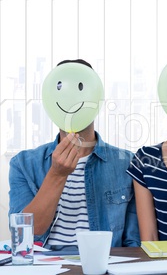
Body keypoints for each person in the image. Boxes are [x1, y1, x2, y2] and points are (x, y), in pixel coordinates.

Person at [8, 59, 140, 248]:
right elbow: (23, 236)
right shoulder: (23, 164)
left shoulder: (127, 163)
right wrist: (56, 174)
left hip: (103, 265)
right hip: (47, 266)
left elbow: (132, 243)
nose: (72, 100)